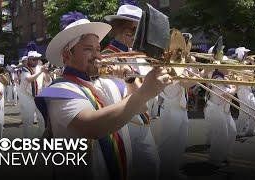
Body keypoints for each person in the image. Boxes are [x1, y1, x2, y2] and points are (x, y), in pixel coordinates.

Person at [36, 12, 172, 180]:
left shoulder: (106, 82)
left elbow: (140, 108)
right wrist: (144, 91)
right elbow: (93, 126)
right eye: (88, 49)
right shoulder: (60, 90)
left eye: (98, 49)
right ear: (67, 55)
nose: (97, 55)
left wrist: (130, 80)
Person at [103, 4, 160, 179]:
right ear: (117, 30)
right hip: (126, 123)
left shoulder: (135, 54)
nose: (134, 37)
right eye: (129, 32)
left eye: (137, 33)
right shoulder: (107, 56)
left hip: (142, 119)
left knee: (152, 168)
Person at [204, 69, 237, 166]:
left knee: (232, 132)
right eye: (227, 67)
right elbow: (226, 94)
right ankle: (214, 160)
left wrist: (233, 80)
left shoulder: (224, 78)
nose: (230, 69)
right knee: (220, 136)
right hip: (216, 109)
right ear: (221, 68)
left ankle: (224, 155)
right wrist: (236, 87)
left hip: (224, 110)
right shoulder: (217, 78)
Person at [19, 45, 48, 138]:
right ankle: (27, 141)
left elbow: (47, 81)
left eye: (37, 59)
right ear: (29, 60)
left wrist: (46, 73)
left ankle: (39, 138)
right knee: (28, 120)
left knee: (42, 119)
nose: (36, 61)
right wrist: (40, 72)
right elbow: (29, 79)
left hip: (39, 96)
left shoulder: (40, 67)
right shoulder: (25, 69)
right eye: (33, 59)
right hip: (28, 97)